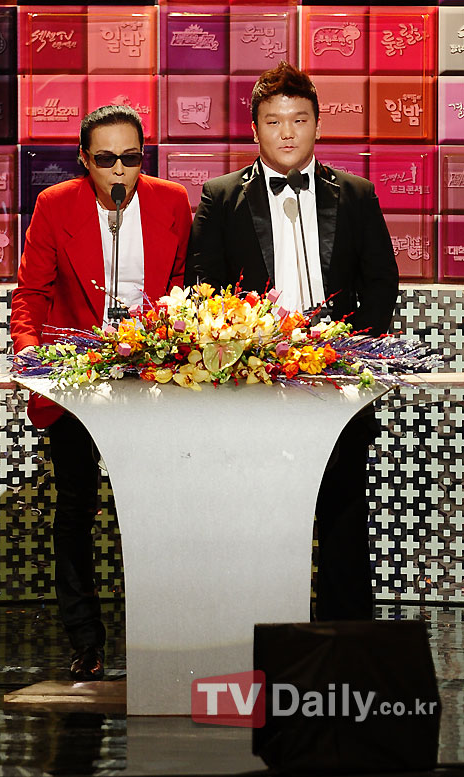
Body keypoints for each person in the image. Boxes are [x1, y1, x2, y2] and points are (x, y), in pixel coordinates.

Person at [185, 62, 399, 621]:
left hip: (339, 381)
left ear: (317, 125)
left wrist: (355, 355)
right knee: (256, 517)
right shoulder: (220, 196)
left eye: (299, 120)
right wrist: (246, 353)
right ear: (254, 128)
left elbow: (381, 282)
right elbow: (201, 289)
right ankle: (252, 635)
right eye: (274, 121)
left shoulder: (356, 194)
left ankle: (345, 643)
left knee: (344, 514)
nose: (287, 132)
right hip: (253, 384)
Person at [11, 105, 192, 680]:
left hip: (153, 376)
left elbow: (184, 286)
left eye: (131, 158)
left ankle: (165, 635)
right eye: (107, 159)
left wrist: (171, 349)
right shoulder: (55, 204)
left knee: (162, 508)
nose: (120, 171)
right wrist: (32, 358)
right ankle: (86, 643)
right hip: (75, 376)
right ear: (84, 160)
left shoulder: (172, 201)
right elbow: (31, 294)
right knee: (75, 508)